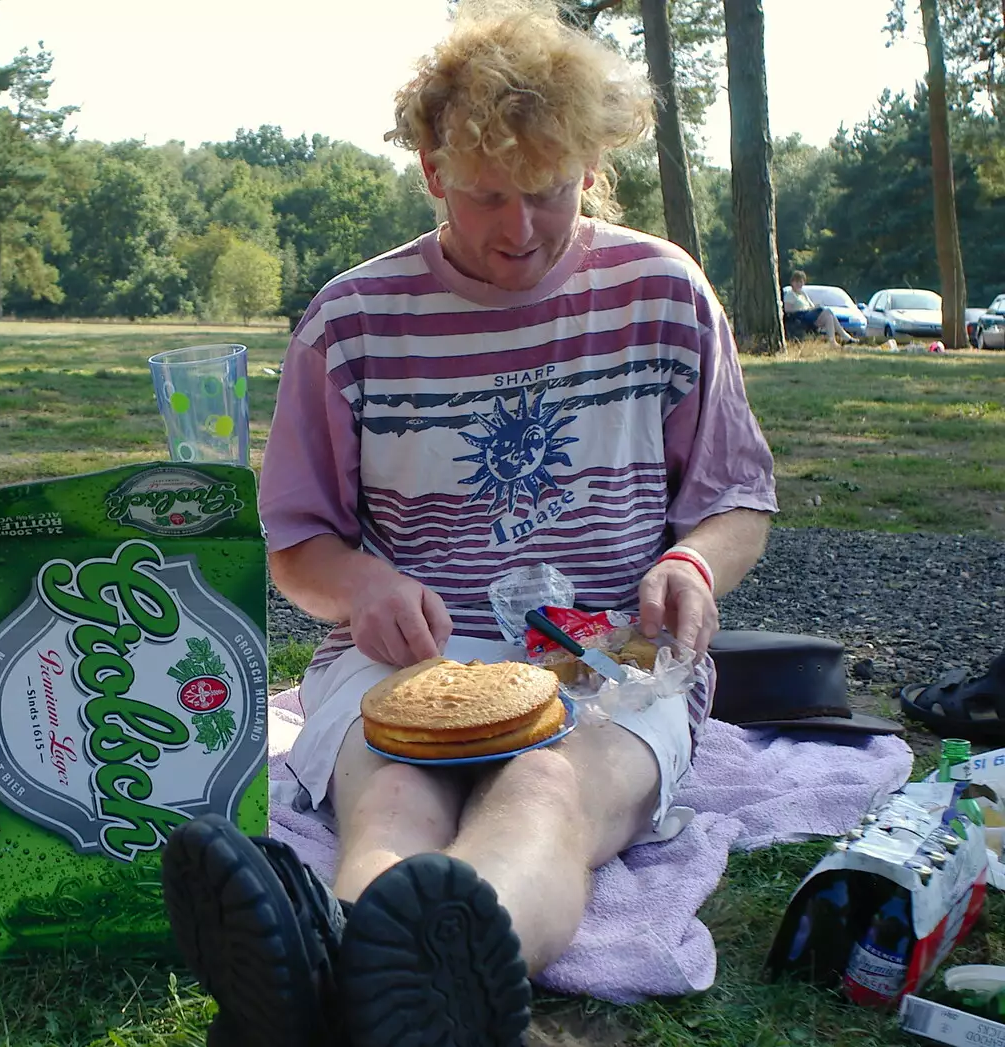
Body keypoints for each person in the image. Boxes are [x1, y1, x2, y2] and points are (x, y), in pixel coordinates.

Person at [159, 4, 778, 1045]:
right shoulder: (353, 323)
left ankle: (349, 976)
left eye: (548, 192)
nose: (519, 230)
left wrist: (693, 564)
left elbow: (734, 502)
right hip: (406, 655)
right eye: (488, 195)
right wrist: (361, 588)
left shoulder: (664, 293)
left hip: (610, 659)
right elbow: (296, 542)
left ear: (589, 166)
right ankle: (394, 985)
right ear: (430, 167)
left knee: (543, 787)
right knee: (395, 796)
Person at [783, 270, 858, 346]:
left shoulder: (803, 294)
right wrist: (803, 310)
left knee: (828, 315)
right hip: (800, 317)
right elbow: (787, 310)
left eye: (801, 282)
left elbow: (811, 306)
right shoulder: (790, 294)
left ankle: (833, 342)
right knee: (825, 311)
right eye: (797, 282)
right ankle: (845, 336)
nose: (799, 284)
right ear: (792, 282)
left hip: (809, 315)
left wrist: (816, 307)